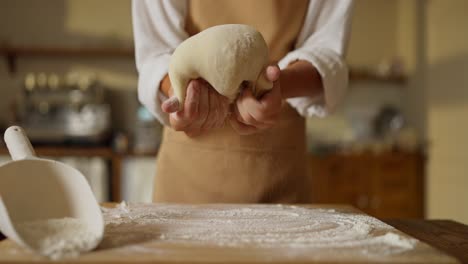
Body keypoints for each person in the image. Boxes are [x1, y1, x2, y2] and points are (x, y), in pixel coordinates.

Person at [132, 0, 353, 203]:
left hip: (278, 176)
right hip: (186, 178)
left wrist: (276, 85)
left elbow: (327, 53)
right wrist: (182, 94)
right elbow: (156, 51)